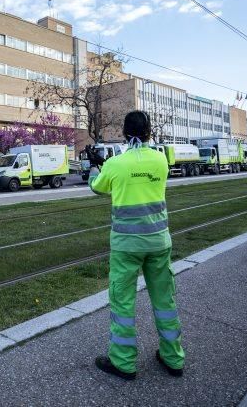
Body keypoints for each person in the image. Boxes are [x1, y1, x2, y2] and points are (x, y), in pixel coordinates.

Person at [89, 110, 184, 380]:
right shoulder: (161, 161)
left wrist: (96, 165)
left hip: (126, 246)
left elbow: (97, 187)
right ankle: (173, 357)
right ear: (149, 132)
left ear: (123, 132)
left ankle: (123, 362)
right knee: (165, 301)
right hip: (158, 242)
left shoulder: (116, 164)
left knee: (123, 303)